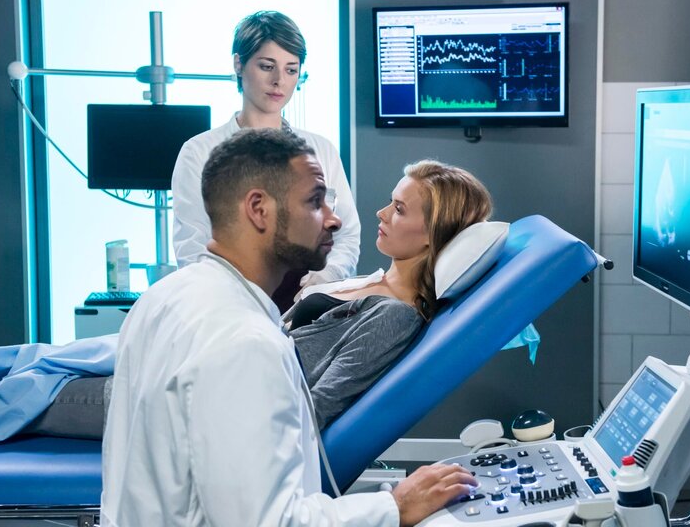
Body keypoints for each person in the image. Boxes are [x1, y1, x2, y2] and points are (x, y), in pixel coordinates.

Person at [101, 129, 477, 526]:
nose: (334, 219)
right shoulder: (248, 344)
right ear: (259, 209)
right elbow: (270, 522)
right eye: (316, 201)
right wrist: (393, 507)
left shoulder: (164, 297)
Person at [171, 11, 360, 310]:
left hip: (304, 305)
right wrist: (240, 302)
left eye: (291, 70)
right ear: (238, 64)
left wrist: (322, 281)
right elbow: (192, 249)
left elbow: (346, 233)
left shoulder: (320, 150)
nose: (278, 82)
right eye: (266, 66)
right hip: (229, 305)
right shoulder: (199, 152)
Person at [288, 159, 492, 428]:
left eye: (398, 209)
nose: (381, 213)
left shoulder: (394, 315)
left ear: (432, 232)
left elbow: (316, 408)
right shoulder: (371, 282)